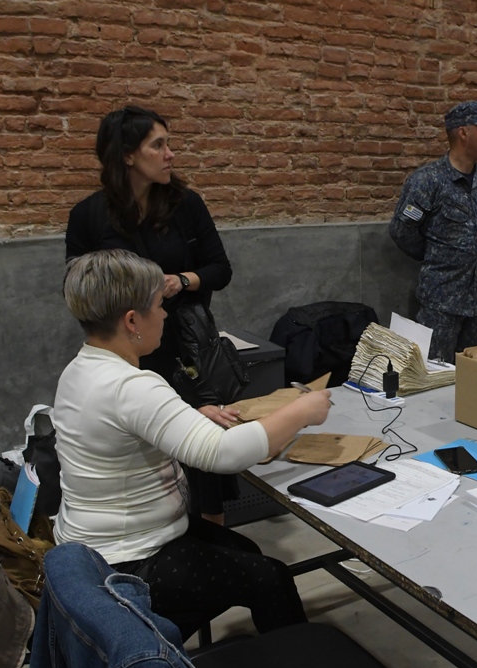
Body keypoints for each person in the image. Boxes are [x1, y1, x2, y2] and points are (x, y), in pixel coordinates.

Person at [53, 250, 333, 639]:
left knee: (246, 553)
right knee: (271, 577)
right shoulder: (131, 386)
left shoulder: (80, 369)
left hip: (91, 547)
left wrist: (189, 419)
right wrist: (302, 411)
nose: (165, 315)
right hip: (128, 559)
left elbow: (126, 428)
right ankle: (297, 667)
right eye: (158, 306)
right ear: (132, 321)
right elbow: (224, 453)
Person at [66, 105, 238, 523]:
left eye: (168, 144)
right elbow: (78, 285)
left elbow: (220, 269)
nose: (170, 154)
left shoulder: (186, 205)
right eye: (158, 145)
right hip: (128, 352)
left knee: (203, 452)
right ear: (127, 155)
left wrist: (182, 280)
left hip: (185, 347)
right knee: (149, 452)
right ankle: (159, 532)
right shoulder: (89, 215)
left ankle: (213, 541)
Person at [390, 100, 477, 362]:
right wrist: (437, 257)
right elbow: (402, 231)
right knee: (435, 376)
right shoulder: (428, 181)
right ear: (463, 133)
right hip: (440, 306)